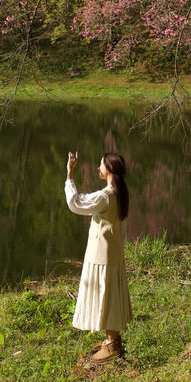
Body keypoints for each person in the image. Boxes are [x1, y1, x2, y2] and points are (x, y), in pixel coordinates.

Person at [65, 150, 132, 363]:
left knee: (106, 297)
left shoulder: (105, 196)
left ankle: (112, 345)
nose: (97, 168)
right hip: (112, 253)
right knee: (111, 296)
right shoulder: (120, 193)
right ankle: (112, 340)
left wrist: (70, 174)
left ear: (110, 169)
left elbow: (75, 203)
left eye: (100, 164)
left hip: (101, 255)